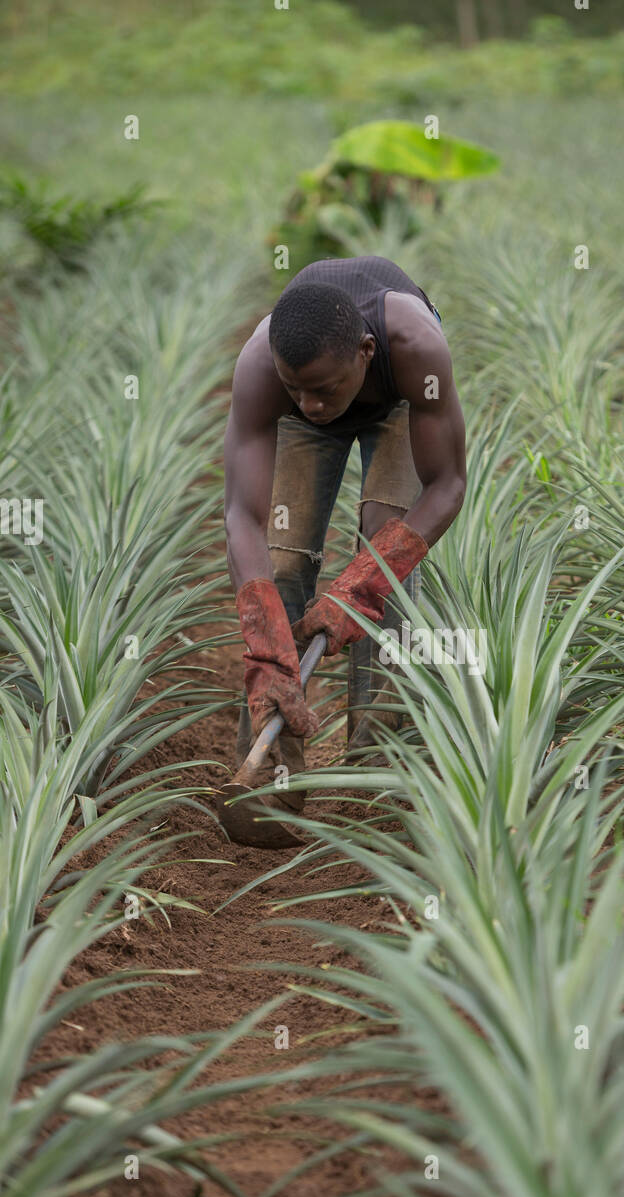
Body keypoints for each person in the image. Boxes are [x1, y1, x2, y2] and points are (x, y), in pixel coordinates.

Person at [223, 254, 466, 813]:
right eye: (296, 388)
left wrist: (361, 587)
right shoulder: (264, 368)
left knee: (386, 549)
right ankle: (268, 780)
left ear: (365, 352)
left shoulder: (415, 347)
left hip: (398, 406)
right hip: (305, 432)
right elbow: (243, 516)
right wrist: (264, 643)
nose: (312, 404)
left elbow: (448, 484)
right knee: (281, 566)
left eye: (323, 389)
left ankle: (377, 773)